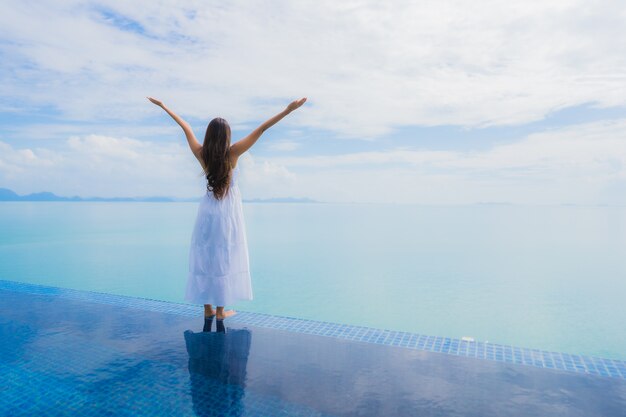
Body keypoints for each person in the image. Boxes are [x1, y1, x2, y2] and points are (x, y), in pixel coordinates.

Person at [147, 96, 307, 321]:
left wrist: (164, 107)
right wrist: (288, 110)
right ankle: (221, 312)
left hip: (207, 211)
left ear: (209, 135)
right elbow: (262, 129)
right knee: (225, 256)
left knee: (206, 255)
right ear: (227, 136)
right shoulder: (233, 153)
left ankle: (207, 309)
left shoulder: (201, 153)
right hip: (227, 213)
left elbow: (185, 127)